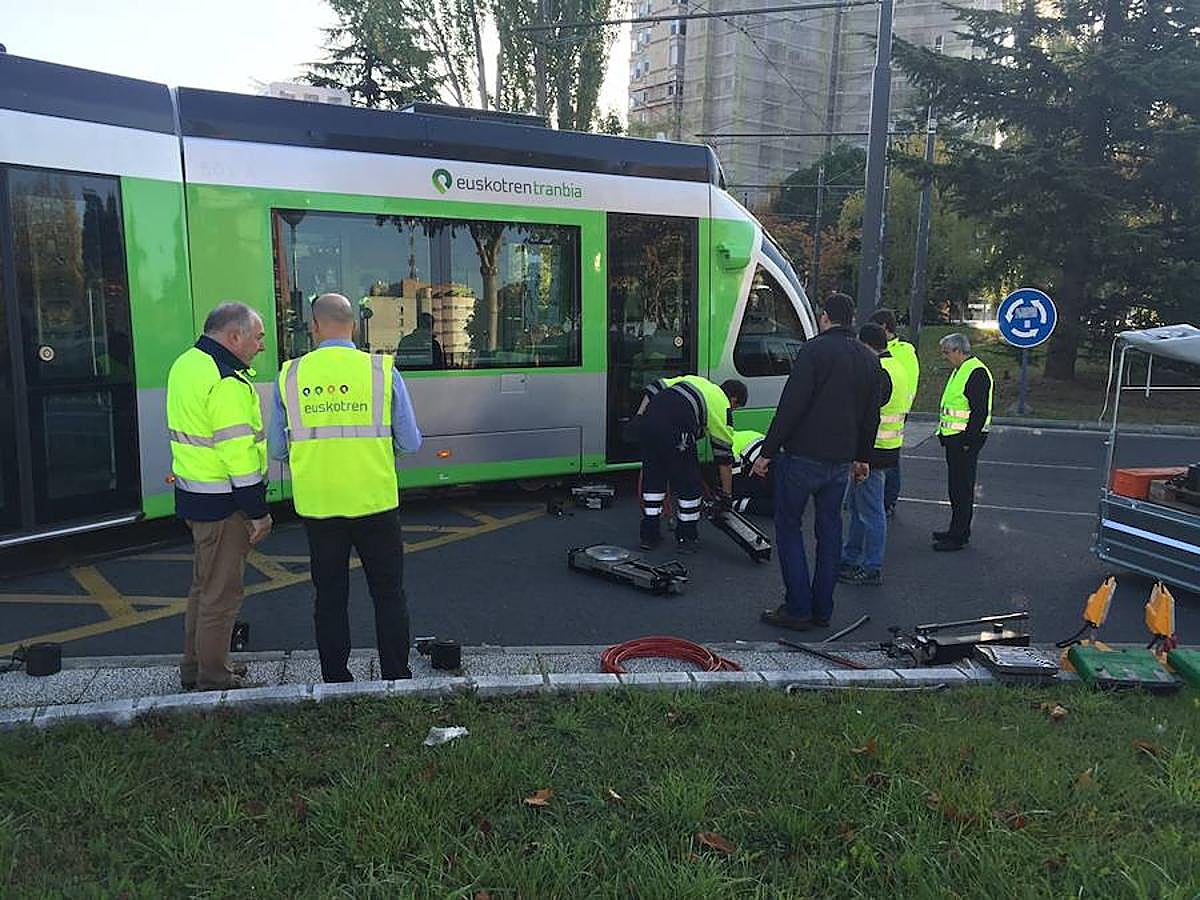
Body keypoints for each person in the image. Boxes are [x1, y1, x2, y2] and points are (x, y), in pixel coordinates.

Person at [270, 293, 423, 682]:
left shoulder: (290, 375)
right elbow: (410, 443)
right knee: (389, 594)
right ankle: (394, 674)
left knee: (330, 597)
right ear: (353, 325)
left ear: (314, 327)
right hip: (375, 503)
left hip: (319, 507)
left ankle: (336, 678)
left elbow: (277, 449)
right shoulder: (381, 370)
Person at [753, 292, 881, 631]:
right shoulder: (869, 359)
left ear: (825, 317)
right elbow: (871, 416)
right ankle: (822, 609)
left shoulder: (813, 351)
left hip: (802, 458)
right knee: (829, 533)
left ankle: (797, 608)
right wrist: (862, 458)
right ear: (852, 319)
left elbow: (791, 406)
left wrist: (767, 452)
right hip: (840, 463)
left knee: (789, 527)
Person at [166, 302, 271, 691]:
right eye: (257, 337)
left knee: (202, 589)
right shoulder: (226, 380)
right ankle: (213, 676)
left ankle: (197, 666)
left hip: (195, 496)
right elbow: (238, 456)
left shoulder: (186, 364)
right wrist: (258, 512)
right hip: (224, 505)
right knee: (221, 594)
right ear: (234, 336)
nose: (261, 346)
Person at [636, 374, 748, 552]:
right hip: (678, 427)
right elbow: (724, 457)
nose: (732, 410)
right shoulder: (722, 403)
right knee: (689, 486)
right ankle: (686, 537)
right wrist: (727, 495)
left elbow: (655, 386)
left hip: (649, 421)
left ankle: (649, 536)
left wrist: (640, 416)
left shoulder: (697, 381)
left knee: (654, 482)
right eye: (735, 407)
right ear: (733, 399)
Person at [839, 323, 911, 586]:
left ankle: (871, 567)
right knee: (860, 508)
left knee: (870, 511)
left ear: (866, 344)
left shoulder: (878, 371)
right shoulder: (897, 367)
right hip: (887, 448)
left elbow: (867, 414)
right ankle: (850, 558)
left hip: (872, 451)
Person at [934, 332, 993, 551]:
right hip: (954, 440)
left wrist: (968, 441)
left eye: (947, 352)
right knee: (956, 488)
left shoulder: (975, 372)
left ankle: (958, 535)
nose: (945, 356)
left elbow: (979, 412)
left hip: (964, 442)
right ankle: (956, 529)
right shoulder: (961, 370)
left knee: (962, 489)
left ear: (959, 351)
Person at [869, 308, 920, 517]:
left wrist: (903, 409)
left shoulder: (903, 351)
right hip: (883, 411)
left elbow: (908, 383)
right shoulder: (881, 351)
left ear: (883, 328)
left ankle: (888, 500)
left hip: (893, 411)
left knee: (890, 459)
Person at [731, 428, 772, 515]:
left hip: (761, 465)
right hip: (774, 458)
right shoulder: (746, 433)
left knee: (734, 499)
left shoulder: (729, 447)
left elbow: (735, 486)